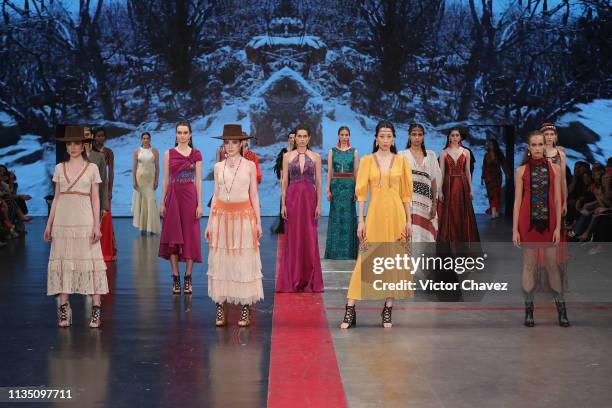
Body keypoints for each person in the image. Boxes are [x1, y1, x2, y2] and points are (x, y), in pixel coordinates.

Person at [340, 120, 413, 329]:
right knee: (365, 260)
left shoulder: (401, 162)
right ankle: (350, 308)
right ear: (376, 138)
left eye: (389, 136)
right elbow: (361, 194)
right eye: (382, 136)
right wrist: (360, 221)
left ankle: (388, 308)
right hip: (374, 217)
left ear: (393, 139)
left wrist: (409, 220)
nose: (385, 140)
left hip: (397, 217)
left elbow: (406, 194)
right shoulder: (366, 161)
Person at [45, 126, 108, 328]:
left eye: (77, 143)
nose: (73, 147)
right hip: (63, 221)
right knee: (64, 263)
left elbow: (95, 198)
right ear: (66, 145)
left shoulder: (92, 169)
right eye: (69, 143)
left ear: (83, 145)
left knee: (90, 262)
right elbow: (56, 198)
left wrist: (97, 225)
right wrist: (49, 224)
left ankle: (96, 308)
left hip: (84, 220)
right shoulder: (59, 168)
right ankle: (64, 308)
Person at [205, 124, 264, 327]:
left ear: (241, 144)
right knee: (221, 261)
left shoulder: (249, 166)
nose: (229, 146)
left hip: (243, 218)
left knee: (243, 261)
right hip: (222, 218)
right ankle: (221, 305)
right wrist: (209, 222)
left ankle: (245, 307)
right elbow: (216, 196)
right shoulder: (218, 167)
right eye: (226, 142)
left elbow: (254, 196)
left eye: (234, 142)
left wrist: (258, 222)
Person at [512, 130, 569, 327]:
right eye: (533, 145)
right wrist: (514, 230)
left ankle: (561, 310)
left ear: (545, 146)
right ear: (529, 148)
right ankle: (529, 312)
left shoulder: (555, 169)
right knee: (529, 266)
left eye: (540, 144)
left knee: (553, 266)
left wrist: (557, 228)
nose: (537, 148)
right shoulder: (521, 171)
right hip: (527, 223)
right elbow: (518, 201)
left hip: (549, 223)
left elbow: (556, 199)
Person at [276, 124, 324, 293]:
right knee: (293, 237)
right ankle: (293, 278)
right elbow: (284, 182)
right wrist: (283, 204)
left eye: (305, 136)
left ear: (309, 138)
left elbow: (318, 182)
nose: (302, 139)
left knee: (310, 237)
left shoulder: (316, 156)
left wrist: (319, 204)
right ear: (294, 138)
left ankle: (310, 279)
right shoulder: (287, 156)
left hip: (310, 199)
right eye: (299, 136)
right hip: (293, 198)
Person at [159, 121, 203, 295]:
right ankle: (176, 277)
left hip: (190, 198)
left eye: (185, 132)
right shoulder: (168, 154)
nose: (182, 135)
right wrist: (162, 201)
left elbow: (198, 180)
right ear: (176, 134)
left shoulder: (196, 154)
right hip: (174, 198)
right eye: (179, 132)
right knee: (173, 237)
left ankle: (188, 277)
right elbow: (165, 180)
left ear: (190, 134)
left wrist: (200, 204)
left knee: (190, 237)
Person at [399, 123, 441, 242]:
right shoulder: (402, 155)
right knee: (409, 235)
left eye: (420, 134)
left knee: (426, 236)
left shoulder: (431, 155)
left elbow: (434, 181)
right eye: (414, 134)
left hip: (426, 203)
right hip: (408, 203)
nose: (417, 137)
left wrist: (434, 204)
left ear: (423, 137)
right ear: (409, 136)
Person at [437, 128, 480, 243]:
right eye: (453, 135)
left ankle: (463, 241)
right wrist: (440, 191)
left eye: (457, 135)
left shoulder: (466, 152)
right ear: (449, 137)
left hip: (462, 185)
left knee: (463, 212)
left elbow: (467, 172)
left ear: (460, 137)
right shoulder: (443, 152)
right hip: (448, 185)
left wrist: (471, 189)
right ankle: (450, 242)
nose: (455, 137)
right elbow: (441, 172)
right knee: (449, 212)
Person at [325, 126, 359, 259]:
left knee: (349, 217)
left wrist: (357, 190)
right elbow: (329, 172)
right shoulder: (332, 151)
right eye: (342, 134)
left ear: (349, 136)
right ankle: (334, 252)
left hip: (349, 186)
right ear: (338, 136)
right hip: (336, 186)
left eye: (346, 135)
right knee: (336, 217)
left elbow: (356, 172)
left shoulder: (354, 151)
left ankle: (349, 252)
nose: (344, 137)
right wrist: (328, 189)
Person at [93, 127, 117, 261]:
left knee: (106, 219)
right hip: (91, 187)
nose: (100, 138)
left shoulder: (108, 152)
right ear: (93, 137)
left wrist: (110, 190)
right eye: (97, 136)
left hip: (104, 186)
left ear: (105, 138)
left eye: (102, 136)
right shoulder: (89, 152)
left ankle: (107, 250)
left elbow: (111, 171)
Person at [132, 132, 161, 234]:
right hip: (140, 180)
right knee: (142, 203)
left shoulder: (154, 151)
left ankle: (152, 228)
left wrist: (157, 180)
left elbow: (157, 167)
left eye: (147, 138)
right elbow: (134, 168)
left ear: (150, 140)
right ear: (141, 140)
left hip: (150, 180)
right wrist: (134, 181)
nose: (146, 140)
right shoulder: (137, 151)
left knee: (151, 202)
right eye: (144, 138)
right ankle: (143, 228)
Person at [271, 131, 295, 234]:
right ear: (288, 139)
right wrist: (281, 179)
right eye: (290, 137)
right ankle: (284, 224)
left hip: (296, 180)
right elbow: (280, 168)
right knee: (284, 201)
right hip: (286, 179)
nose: (292, 139)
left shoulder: (300, 152)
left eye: (294, 137)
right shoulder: (284, 152)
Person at [83, 127, 109, 215]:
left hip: (94, 199)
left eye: (87, 135)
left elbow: (104, 181)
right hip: (77, 200)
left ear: (92, 136)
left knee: (94, 227)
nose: (85, 138)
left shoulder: (99, 156)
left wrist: (104, 206)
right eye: (82, 135)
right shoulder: (73, 155)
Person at [481, 138, 508, 219]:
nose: (490, 145)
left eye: (492, 144)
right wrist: (482, 178)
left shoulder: (499, 154)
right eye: (489, 144)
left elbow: (504, 164)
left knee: (496, 193)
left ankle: (494, 212)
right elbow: (484, 167)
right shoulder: (486, 155)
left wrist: (506, 173)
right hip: (488, 177)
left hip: (497, 176)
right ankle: (494, 211)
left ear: (495, 145)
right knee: (491, 195)